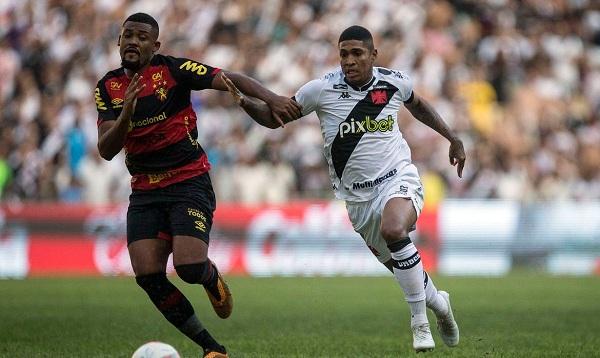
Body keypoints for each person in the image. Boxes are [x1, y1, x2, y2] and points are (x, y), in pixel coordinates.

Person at [222, 25, 465, 353]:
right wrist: (242, 101)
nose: (349, 61)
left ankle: (420, 324)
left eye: (357, 53)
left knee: (395, 229)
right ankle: (440, 305)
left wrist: (452, 137)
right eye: (343, 54)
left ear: (373, 55)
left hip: (397, 178)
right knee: (403, 266)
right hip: (357, 200)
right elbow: (273, 117)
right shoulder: (319, 90)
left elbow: (418, 105)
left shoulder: (393, 82)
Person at [94, 13, 301, 358]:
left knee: (189, 267)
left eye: (142, 37)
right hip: (144, 189)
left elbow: (228, 77)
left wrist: (272, 98)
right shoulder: (108, 87)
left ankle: (210, 278)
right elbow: (105, 149)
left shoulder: (173, 71)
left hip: (188, 180)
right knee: (147, 275)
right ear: (118, 42)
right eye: (127, 35)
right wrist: (126, 115)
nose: (133, 41)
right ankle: (212, 348)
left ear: (155, 46)